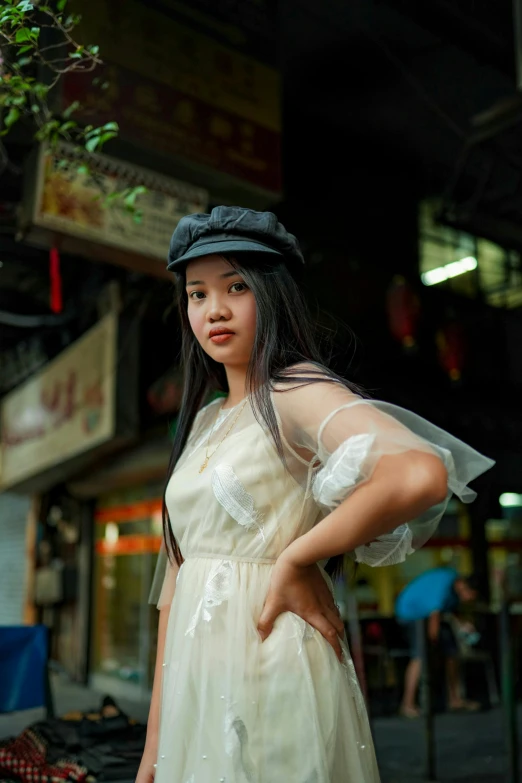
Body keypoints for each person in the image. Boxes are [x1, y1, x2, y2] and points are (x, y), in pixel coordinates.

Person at [136, 206, 494, 783]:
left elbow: (419, 472)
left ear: (272, 296)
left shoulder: (294, 390)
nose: (215, 309)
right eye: (197, 294)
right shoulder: (203, 421)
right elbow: (177, 586)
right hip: (196, 679)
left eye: (236, 287)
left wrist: (299, 556)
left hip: (273, 654)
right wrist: (155, 742)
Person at [396, 568, 480, 718]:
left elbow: (450, 612)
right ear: (464, 586)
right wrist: (433, 647)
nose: (469, 599)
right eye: (470, 595)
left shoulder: (455, 590)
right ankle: (407, 705)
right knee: (420, 656)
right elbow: (434, 625)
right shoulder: (444, 587)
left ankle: (455, 699)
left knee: (452, 652)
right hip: (411, 614)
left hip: (430, 615)